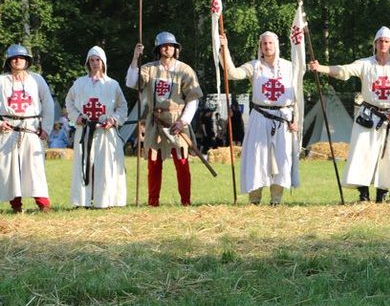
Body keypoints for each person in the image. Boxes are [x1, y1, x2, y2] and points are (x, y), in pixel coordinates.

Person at [309, 26, 390, 203]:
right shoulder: (365, 64)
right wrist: (321, 68)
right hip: (368, 116)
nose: (383, 44)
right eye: (380, 41)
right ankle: (363, 194)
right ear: (375, 43)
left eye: (386, 41)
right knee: (362, 154)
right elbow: (344, 71)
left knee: (387, 157)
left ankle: (382, 194)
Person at [219, 32, 299, 205]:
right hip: (260, 117)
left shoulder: (289, 67)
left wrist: (296, 119)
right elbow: (232, 73)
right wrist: (224, 49)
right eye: (264, 43)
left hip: (283, 117)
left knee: (281, 157)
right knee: (257, 157)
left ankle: (276, 200)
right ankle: (254, 200)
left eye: (270, 43)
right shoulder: (254, 66)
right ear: (260, 46)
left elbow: (298, 95)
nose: (267, 46)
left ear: (276, 45)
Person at [126, 32, 203, 206]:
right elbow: (132, 82)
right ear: (159, 49)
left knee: (182, 162)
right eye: (164, 46)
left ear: (176, 49)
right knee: (154, 163)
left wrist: (183, 121)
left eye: (171, 46)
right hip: (156, 120)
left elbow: (193, 98)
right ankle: (153, 202)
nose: (167, 48)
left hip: (177, 120)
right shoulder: (149, 69)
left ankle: (186, 202)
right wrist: (135, 59)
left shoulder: (185, 70)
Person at [66, 46, 129, 208]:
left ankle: (106, 200)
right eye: (92, 60)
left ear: (103, 62)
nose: (95, 63)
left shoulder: (112, 84)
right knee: (83, 163)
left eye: (98, 60)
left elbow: (122, 106)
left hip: (105, 131)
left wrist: (113, 119)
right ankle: (82, 201)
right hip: (85, 130)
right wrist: (77, 117)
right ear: (88, 63)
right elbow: (69, 102)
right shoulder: (79, 83)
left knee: (106, 165)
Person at [0, 45, 55, 213]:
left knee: (35, 168)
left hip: (31, 129)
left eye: (21, 58)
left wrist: (46, 127)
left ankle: (43, 204)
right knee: (10, 169)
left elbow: (48, 104)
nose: (18, 61)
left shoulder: (36, 79)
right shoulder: (1, 81)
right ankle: (16, 206)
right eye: (14, 58)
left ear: (27, 61)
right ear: (9, 61)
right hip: (8, 128)